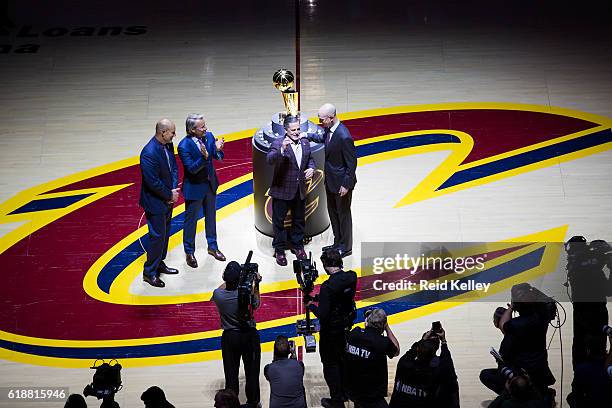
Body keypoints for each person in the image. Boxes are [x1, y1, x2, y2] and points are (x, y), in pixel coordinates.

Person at [480, 285, 556, 402]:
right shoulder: (542, 318)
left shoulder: (515, 325)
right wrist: (533, 291)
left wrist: (511, 307)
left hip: (522, 373)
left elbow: (503, 325)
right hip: (540, 371)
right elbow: (549, 303)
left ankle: (514, 394)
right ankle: (540, 393)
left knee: (486, 374)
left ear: (516, 305)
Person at [306, 248, 357, 408]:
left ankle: (336, 400)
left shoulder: (327, 286)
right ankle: (345, 392)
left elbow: (323, 314)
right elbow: (339, 297)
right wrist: (319, 298)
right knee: (343, 360)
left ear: (326, 265)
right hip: (345, 327)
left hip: (330, 332)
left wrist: (311, 305)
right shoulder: (351, 277)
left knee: (330, 364)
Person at [306, 103, 357, 258]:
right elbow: (322, 137)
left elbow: (352, 163)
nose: (320, 122)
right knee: (333, 213)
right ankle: (337, 242)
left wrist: (346, 185)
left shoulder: (344, 136)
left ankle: (346, 247)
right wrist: (306, 135)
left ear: (331, 118)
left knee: (343, 215)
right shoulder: (329, 129)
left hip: (341, 185)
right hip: (331, 181)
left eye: (322, 120)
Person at [177, 113, 226, 268]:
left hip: (210, 185)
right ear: (192, 130)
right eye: (202, 127)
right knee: (191, 222)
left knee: (211, 217)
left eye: (205, 125)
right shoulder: (183, 146)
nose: (206, 129)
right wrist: (205, 157)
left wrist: (218, 150)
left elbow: (217, 156)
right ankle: (189, 252)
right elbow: (191, 169)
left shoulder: (209, 136)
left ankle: (213, 246)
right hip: (194, 188)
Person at [266, 115, 316, 266]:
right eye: (293, 130)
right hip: (282, 190)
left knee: (299, 219)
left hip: (299, 189)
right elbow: (270, 159)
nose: (296, 132)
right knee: (279, 222)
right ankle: (279, 250)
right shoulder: (278, 143)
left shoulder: (305, 142)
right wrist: (282, 149)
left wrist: (312, 169)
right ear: (286, 130)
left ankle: (297, 246)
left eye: (298, 129)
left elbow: (310, 159)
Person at [212, 261, 262, 408]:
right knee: (252, 373)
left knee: (231, 374)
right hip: (248, 336)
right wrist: (256, 284)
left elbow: (220, 288)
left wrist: (231, 279)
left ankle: (230, 403)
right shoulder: (245, 294)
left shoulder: (218, 295)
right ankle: (253, 403)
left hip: (229, 338)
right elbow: (257, 304)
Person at [139, 118, 179, 288]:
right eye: (172, 132)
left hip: (168, 198)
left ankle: (159, 263)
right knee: (156, 237)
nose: (174, 135)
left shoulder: (167, 145)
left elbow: (174, 168)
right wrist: (168, 194)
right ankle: (149, 272)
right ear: (163, 133)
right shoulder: (148, 153)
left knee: (164, 235)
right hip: (155, 202)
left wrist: (174, 188)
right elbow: (152, 182)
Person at [389, 327, 459, 408]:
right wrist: (444, 342)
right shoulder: (435, 373)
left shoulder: (403, 364)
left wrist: (422, 340)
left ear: (418, 349)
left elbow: (409, 353)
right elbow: (448, 369)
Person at [344, 308, 400, 407]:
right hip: (371, 395)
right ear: (382, 325)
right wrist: (387, 327)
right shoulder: (382, 342)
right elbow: (396, 351)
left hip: (353, 390)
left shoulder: (354, 333)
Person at [566, 334, 612, 407]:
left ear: (588, 350)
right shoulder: (608, 368)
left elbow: (576, 391)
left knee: (571, 397)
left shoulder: (581, 369)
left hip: (589, 402)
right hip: (606, 402)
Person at [264, 335, 306, 408]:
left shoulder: (268, 368)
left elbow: (271, 374)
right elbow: (296, 374)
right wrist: (293, 354)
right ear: (289, 350)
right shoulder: (300, 365)